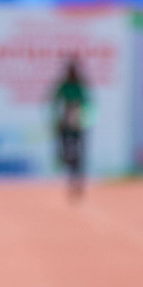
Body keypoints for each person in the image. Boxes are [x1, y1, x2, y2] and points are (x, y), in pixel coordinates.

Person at [51, 57, 89, 202]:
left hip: (78, 124)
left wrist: (82, 118)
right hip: (66, 125)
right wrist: (58, 119)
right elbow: (55, 102)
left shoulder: (80, 86)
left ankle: (78, 182)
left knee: (79, 155)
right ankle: (71, 177)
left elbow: (87, 103)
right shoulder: (64, 86)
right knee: (66, 152)